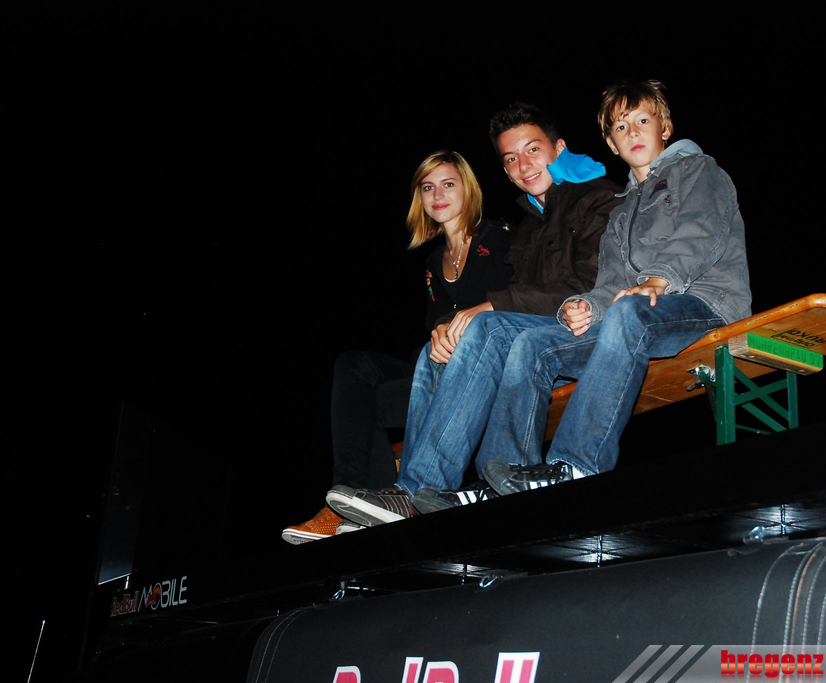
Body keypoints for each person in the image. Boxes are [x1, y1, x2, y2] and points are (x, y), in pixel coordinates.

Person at [325, 103, 623, 526]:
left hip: (584, 330)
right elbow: (515, 300)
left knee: (482, 326)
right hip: (531, 334)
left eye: (533, 149)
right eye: (511, 158)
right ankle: (400, 495)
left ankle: (416, 489)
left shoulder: (591, 199)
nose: (523, 165)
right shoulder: (528, 227)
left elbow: (588, 285)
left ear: (559, 148)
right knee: (428, 353)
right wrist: (444, 329)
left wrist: (488, 306)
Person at [480, 78, 751, 494]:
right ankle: (505, 476)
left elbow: (701, 233)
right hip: (642, 316)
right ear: (611, 143)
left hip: (706, 302)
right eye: (621, 127)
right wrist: (586, 306)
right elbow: (610, 284)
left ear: (665, 127)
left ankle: (577, 464)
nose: (633, 132)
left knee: (630, 311)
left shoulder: (698, 170)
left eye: (643, 121)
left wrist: (658, 280)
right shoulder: (621, 211)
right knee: (534, 343)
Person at [281, 150, 513, 543]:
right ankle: (350, 500)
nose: (437, 194)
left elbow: (519, 299)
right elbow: (436, 319)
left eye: (448, 184)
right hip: (437, 365)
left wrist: (469, 320)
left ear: (468, 189)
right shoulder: (435, 259)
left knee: (374, 399)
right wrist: (440, 329)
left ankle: (368, 506)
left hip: (483, 369)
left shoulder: (497, 236)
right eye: (428, 187)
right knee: (354, 368)